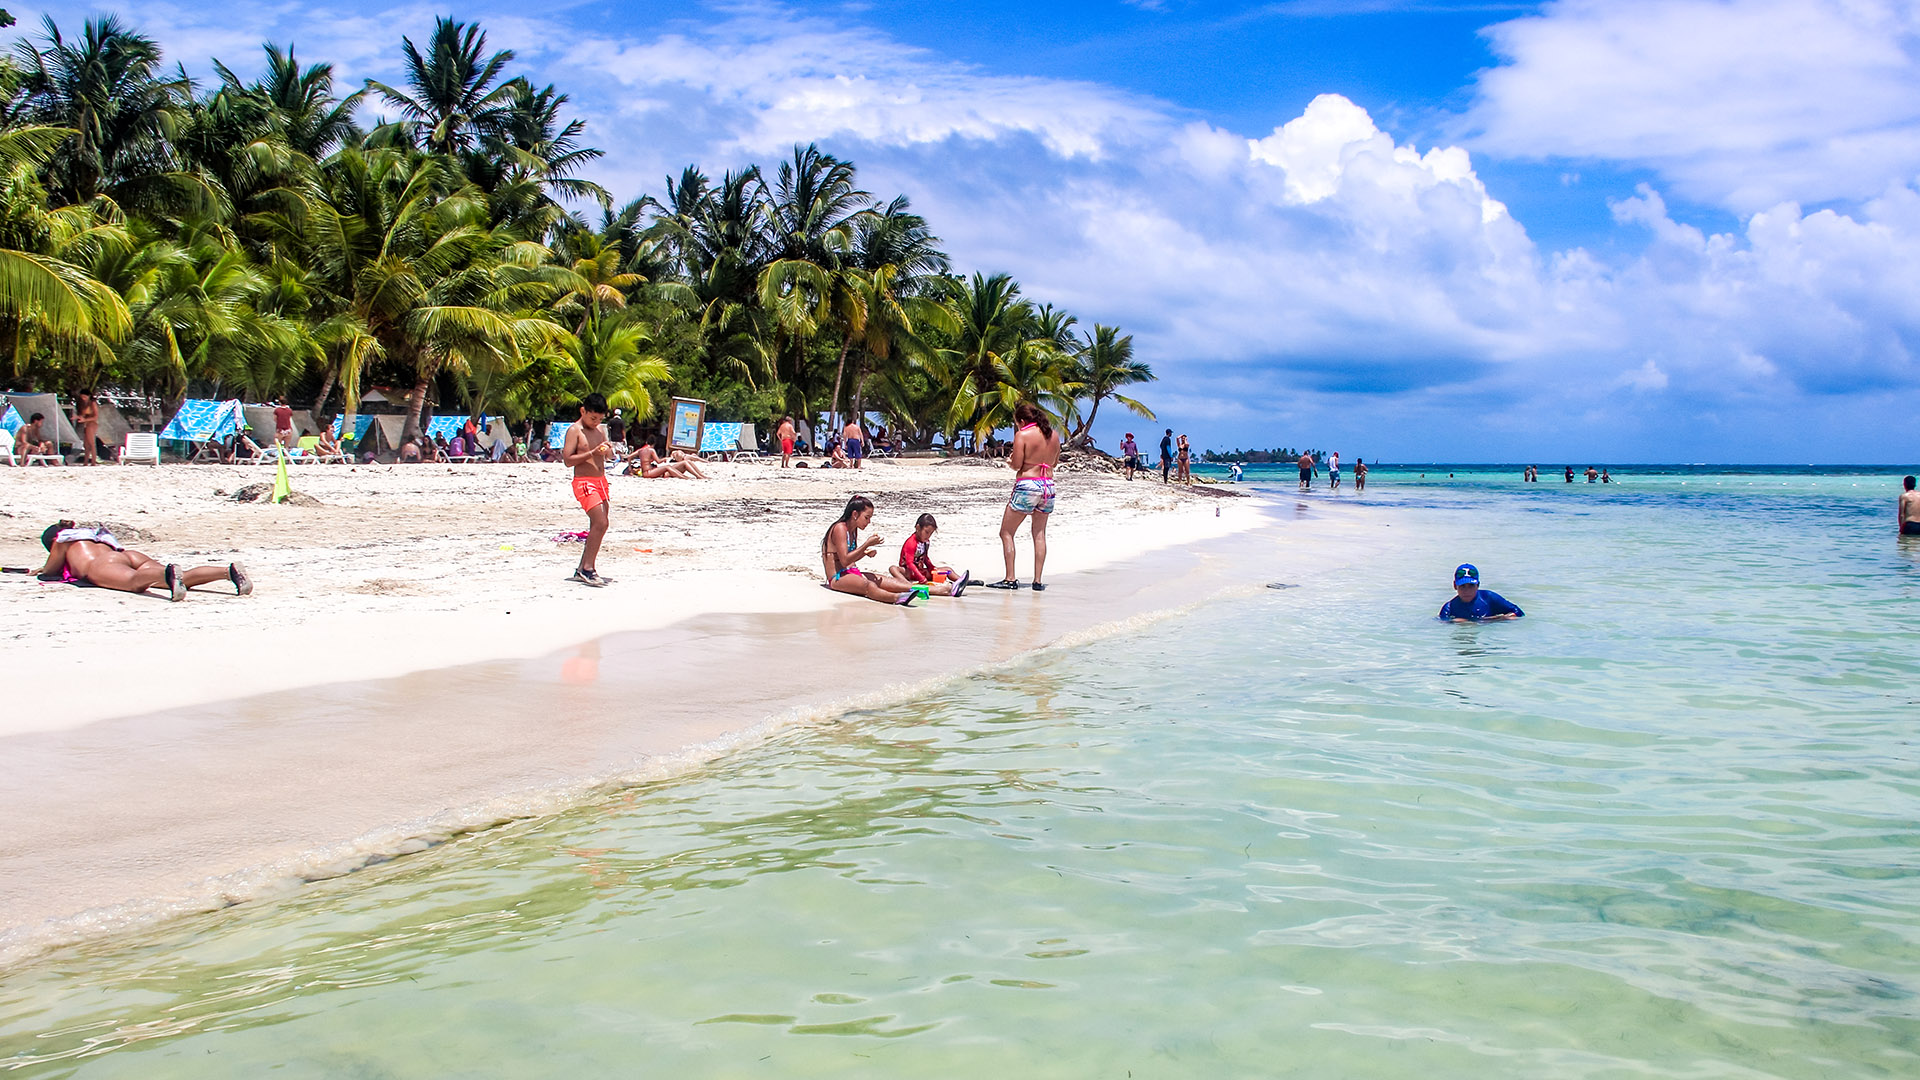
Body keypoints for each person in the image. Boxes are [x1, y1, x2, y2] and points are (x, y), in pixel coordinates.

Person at [32, 520, 252, 602]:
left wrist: (41, 570)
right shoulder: (91, 534)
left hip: (101, 565)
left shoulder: (63, 541)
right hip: (127, 555)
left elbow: (50, 572)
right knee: (179, 577)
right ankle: (228, 572)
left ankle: (166, 574)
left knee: (134, 582)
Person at [988, 402, 1060, 591]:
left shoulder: (1022, 435)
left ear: (1021, 421)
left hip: (1028, 485)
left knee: (1006, 532)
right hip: (1048, 486)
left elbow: (1018, 464)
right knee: (1039, 534)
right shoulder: (1054, 436)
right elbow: (1054, 462)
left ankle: (1010, 578)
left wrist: (1010, 461)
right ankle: (1037, 580)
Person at [822, 496, 925, 606]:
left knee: (883, 580)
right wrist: (866, 544)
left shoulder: (852, 530)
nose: (869, 522)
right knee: (869, 585)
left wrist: (864, 553)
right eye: (866, 517)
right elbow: (844, 561)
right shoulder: (840, 528)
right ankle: (897, 598)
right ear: (855, 514)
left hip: (850, 572)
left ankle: (927, 591)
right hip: (836, 578)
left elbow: (851, 557)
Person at [563, 394, 615, 587]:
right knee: (600, 523)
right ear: (583, 411)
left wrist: (607, 449)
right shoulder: (575, 431)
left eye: (600, 419)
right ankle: (588, 568)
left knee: (600, 525)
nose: (596, 422)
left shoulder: (600, 430)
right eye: (593, 418)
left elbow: (608, 456)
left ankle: (582, 568)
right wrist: (592, 453)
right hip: (584, 482)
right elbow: (568, 460)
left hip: (601, 481)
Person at [892, 513, 972, 596]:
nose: (928, 536)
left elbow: (925, 558)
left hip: (920, 571)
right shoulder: (911, 543)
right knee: (893, 569)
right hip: (908, 572)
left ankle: (961, 581)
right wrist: (920, 577)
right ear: (918, 528)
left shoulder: (926, 542)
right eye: (926, 532)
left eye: (931, 533)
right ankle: (906, 584)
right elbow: (909, 563)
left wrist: (932, 568)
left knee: (948, 569)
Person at [1437, 563, 1524, 622]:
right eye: (1462, 586)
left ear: (1478, 585)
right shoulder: (1449, 608)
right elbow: (1442, 625)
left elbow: (1519, 613)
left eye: (1471, 586)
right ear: (1455, 586)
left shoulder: (1489, 598)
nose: (1467, 591)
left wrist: (1497, 619)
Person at [73, 391, 98, 465]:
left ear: (89, 396)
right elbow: (83, 415)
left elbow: (95, 417)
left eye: (84, 397)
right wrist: (78, 417)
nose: (83, 399)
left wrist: (85, 420)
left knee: (91, 443)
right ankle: (86, 462)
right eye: (82, 397)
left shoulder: (92, 403)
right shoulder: (84, 404)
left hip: (91, 423)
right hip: (86, 423)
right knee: (86, 444)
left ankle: (93, 461)